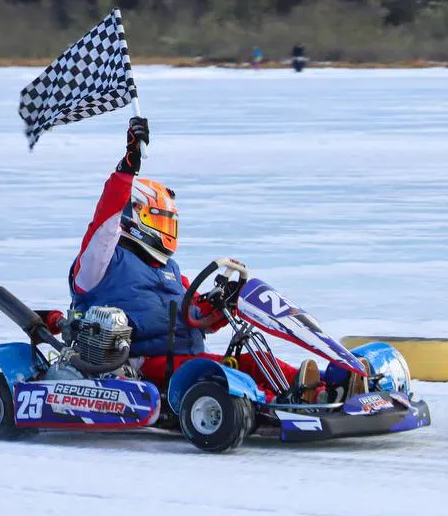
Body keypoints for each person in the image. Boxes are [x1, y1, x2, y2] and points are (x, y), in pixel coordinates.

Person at [61, 117, 347, 403]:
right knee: (217, 372)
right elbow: (103, 224)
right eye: (158, 219)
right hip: (140, 365)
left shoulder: (168, 269)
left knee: (252, 359)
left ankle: (323, 388)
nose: (166, 228)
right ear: (134, 216)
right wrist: (127, 168)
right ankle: (276, 404)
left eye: (169, 221)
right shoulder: (101, 264)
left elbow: (193, 314)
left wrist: (218, 303)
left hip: (186, 359)